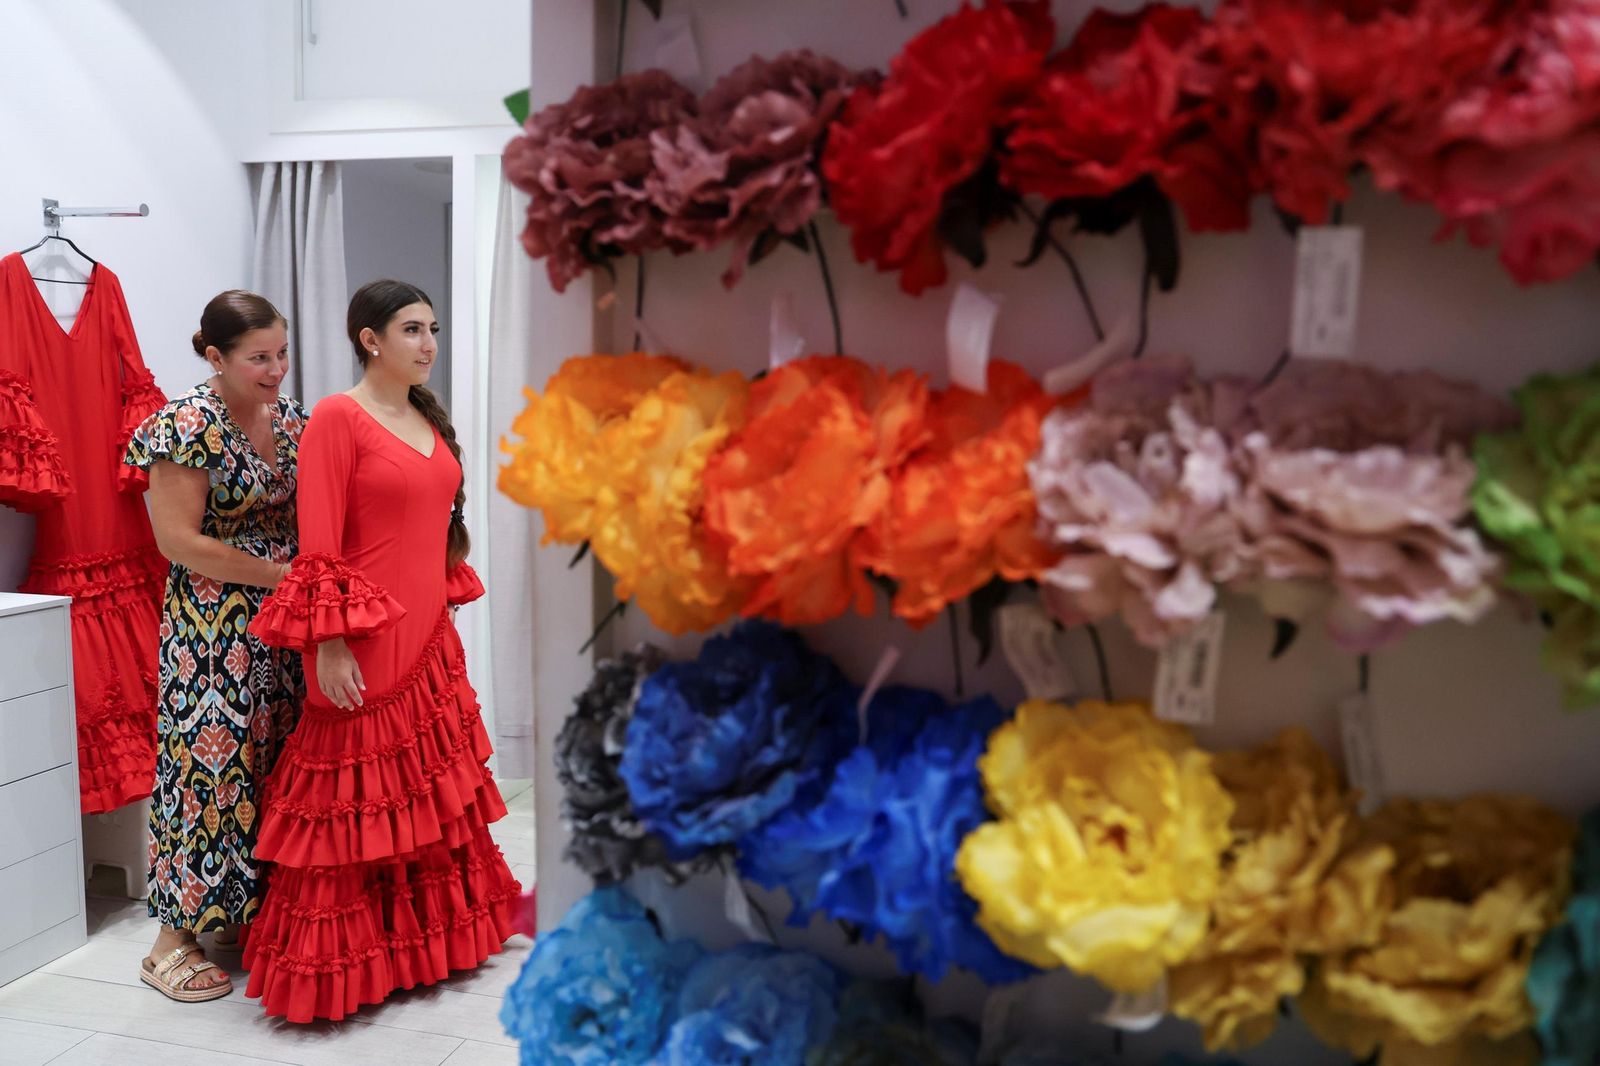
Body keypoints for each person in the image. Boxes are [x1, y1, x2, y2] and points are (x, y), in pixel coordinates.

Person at [243, 279, 519, 1022]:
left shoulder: (425, 415)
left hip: (427, 634)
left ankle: (429, 947)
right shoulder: (338, 416)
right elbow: (319, 547)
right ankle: (344, 971)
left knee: (427, 792)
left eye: (432, 329)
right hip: (360, 639)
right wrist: (329, 645)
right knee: (353, 799)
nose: (428, 344)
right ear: (370, 339)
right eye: (411, 330)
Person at [123, 291, 308, 1003]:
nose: (276, 369)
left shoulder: (291, 419)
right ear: (215, 356)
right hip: (214, 628)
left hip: (285, 626)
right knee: (209, 771)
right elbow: (177, 541)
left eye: (282, 353)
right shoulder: (183, 424)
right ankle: (171, 939)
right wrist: (276, 573)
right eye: (258, 357)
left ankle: (240, 912)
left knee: (274, 763)